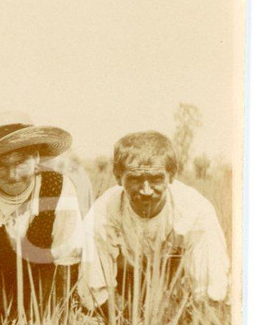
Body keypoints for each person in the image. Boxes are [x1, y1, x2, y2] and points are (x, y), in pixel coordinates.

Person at [0, 111, 84, 325]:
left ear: (36, 157)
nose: (12, 175)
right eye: (1, 165)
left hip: (51, 293)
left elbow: (68, 260)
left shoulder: (58, 188)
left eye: (21, 162)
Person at [78, 131, 229, 312]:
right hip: (126, 286)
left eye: (156, 178)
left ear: (171, 175)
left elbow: (212, 287)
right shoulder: (102, 214)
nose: (146, 191)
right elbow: (95, 289)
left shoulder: (196, 210)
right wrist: (124, 324)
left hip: (175, 284)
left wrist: (195, 320)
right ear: (118, 177)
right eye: (135, 179)